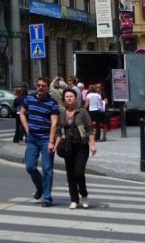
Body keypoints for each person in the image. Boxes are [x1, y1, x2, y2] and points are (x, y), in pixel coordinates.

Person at [19, 76, 60, 208]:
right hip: (32, 138)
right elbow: (22, 113)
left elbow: (54, 122)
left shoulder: (52, 103)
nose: (40, 88)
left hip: (46, 139)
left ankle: (47, 197)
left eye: (43, 86)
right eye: (38, 85)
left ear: (48, 88)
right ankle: (40, 187)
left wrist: (51, 141)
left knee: (47, 169)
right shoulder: (29, 98)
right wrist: (27, 129)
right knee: (30, 166)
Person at [56, 87, 96, 209]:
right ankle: (74, 199)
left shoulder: (82, 113)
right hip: (68, 147)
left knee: (78, 173)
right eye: (67, 96)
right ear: (64, 100)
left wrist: (93, 145)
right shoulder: (62, 114)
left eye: (71, 96)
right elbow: (59, 131)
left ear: (76, 99)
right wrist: (55, 145)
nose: (69, 98)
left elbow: (89, 129)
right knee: (70, 174)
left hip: (81, 147)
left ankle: (83, 194)